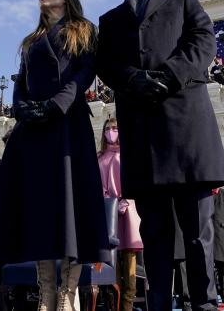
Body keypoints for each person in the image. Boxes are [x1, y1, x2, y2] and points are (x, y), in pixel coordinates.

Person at [96, 0, 224, 311]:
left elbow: (203, 42)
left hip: (187, 133)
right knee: (154, 235)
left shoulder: (183, 1)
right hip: (142, 138)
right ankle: (158, 305)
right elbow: (105, 64)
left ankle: (204, 304)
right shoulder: (110, 21)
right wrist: (134, 79)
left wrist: (168, 76)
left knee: (198, 233)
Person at [0, 0, 110, 311]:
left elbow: (84, 73)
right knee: (38, 207)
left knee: (71, 207)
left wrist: (57, 104)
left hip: (67, 124)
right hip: (33, 130)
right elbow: (21, 80)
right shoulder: (31, 40)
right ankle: (46, 291)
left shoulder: (84, 29)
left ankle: (67, 293)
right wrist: (22, 108)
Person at [97, 118, 143, 311]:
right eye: (107, 128)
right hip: (107, 213)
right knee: (111, 262)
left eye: (115, 128)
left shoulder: (127, 154)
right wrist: (107, 201)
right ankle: (113, 306)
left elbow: (134, 180)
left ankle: (127, 306)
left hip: (127, 211)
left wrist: (124, 200)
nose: (111, 131)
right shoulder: (99, 157)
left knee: (129, 262)